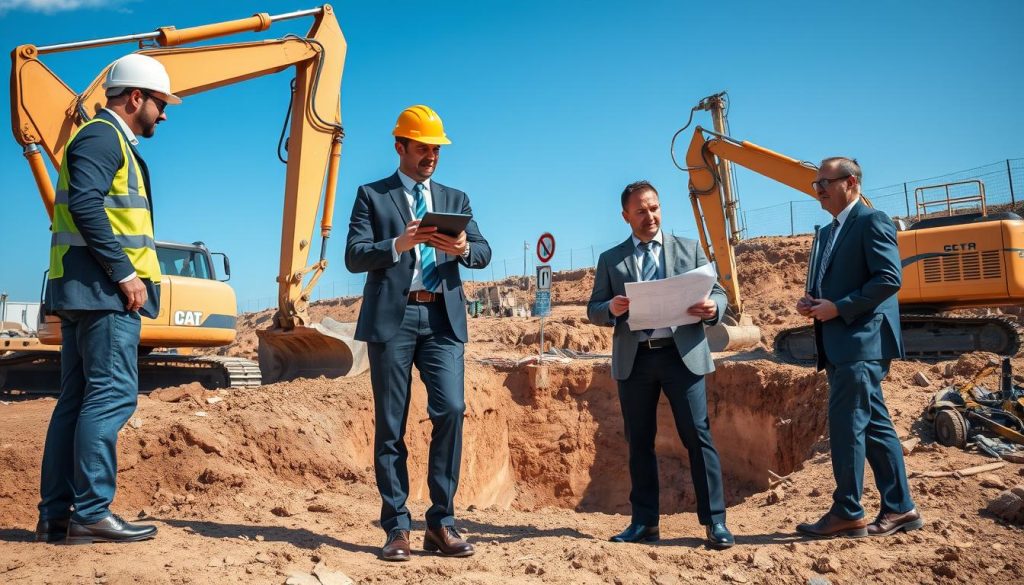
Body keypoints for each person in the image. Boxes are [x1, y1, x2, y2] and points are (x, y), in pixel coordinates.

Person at [37, 53, 180, 544]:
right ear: (136, 97)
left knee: (76, 401)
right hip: (105, 294)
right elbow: (86, 204)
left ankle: (58, 516)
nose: (164, 115)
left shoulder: (96, 137)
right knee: (111, 395)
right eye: (161, 104)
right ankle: (92, 512)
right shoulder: (104, 137)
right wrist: (125, 273)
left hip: (83, 290)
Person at [345, 105, 491, 561]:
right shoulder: (372, 195)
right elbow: (354, 255)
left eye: (436, 149)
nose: (431, 156)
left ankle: (441, 523)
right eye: (423, 148)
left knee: (452, 409)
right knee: (391, 424)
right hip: (393, 319)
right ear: (400, 147)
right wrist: (398, 244)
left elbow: (483, 252)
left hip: (442, 319)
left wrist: (463, 246)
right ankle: (396, 528)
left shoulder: (455, 199)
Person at [587, 180, 734, 550]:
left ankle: (715, 521)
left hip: (681, 356)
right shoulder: (611, 259)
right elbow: (594, 308)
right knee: (639, 441)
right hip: (635, 360)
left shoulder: (689, 248)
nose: (649, 216)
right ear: (626, 216)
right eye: (640, 211)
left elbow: (718, 292)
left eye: (653, 208)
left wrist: (714, 308)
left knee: (697, 437)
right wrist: (611, 309)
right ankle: (644, 523)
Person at [795, 157, 922, 538]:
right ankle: (901, 508)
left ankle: (848, 510)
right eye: (816, 183)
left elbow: (889, 278)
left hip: (861, 342)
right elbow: (830, 280)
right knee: (876, 427)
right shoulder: (826, 232)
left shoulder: (872, 221)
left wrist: (839, 307)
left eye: (824, 183)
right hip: (839, 343)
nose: (818, 190)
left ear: (850, 182)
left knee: (847, 427)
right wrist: (812, 301)